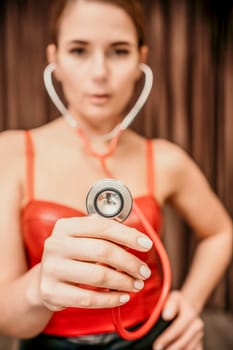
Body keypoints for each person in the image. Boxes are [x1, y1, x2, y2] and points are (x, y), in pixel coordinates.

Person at [0, 0, 232, 349]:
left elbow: (221, 231)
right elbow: (6, 316)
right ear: (55, 59)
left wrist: (190, 303)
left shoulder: (165, 158)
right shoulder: (11, 153)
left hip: (152, 339)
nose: (99, 73)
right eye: (79, 50)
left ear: (142, 60)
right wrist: (38, 287)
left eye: (119, 52)